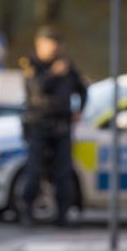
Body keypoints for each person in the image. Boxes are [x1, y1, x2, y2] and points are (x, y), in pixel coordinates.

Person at [18, 27, 87, 228]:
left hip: (62, 127)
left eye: (56, 44)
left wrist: (80, 109)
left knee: (63, 174)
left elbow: (82, 89)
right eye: (49, 44)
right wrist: (53, 73)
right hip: (38, 126)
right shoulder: (31, 64)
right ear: (39, 44)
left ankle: (62, 215)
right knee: (34, 172)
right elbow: (37, 88)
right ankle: (27, 213)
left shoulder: (67, 65)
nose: (53, 49)